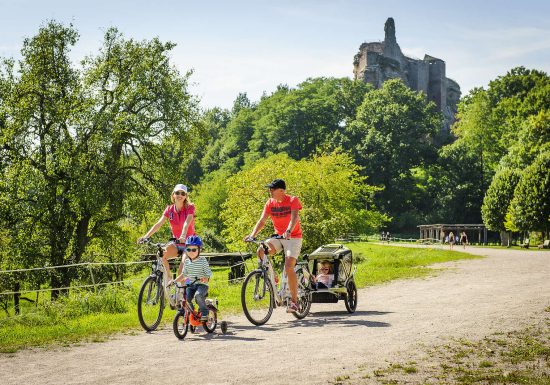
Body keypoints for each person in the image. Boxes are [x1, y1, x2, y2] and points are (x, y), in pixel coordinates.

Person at [244, 179, 303, 313]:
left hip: (293, 237)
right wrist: (252, 235)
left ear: (281, 191)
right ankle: (273, 276)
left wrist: (288, 231)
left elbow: (294, 217)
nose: (270, 191)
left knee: (289, 267)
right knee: (261, 250)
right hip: (279, 237)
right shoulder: (270, 203)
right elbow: (262, 220)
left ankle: (294, 302)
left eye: (272, 189)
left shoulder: (293, 200)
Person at [138, 184, 196, 287]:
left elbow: (187, 223)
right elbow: (158, 224)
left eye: (182, 193)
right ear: (173, 195)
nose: (180, 195)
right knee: (161, 254)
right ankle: (169, 278)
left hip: (190, 243)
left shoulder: (190, 207)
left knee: (181, 271)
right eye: (177, 193)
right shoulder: (169, 209)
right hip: (177, 243)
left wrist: (183, 236)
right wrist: (145, 236)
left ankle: (183, 299)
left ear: (186, 196)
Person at [169, 235, 212, 321]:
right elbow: (184, 274)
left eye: (194, 250)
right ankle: (192, 313)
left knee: (198, 296)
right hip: (191, 284)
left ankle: (204, 312)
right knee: (187, 299)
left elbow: (208, 273)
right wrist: (174, 281)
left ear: (199, 250)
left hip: (201, 285)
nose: (191, 252)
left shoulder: (203, 260)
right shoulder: (187, 262)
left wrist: (205, 278)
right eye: (188, 249)